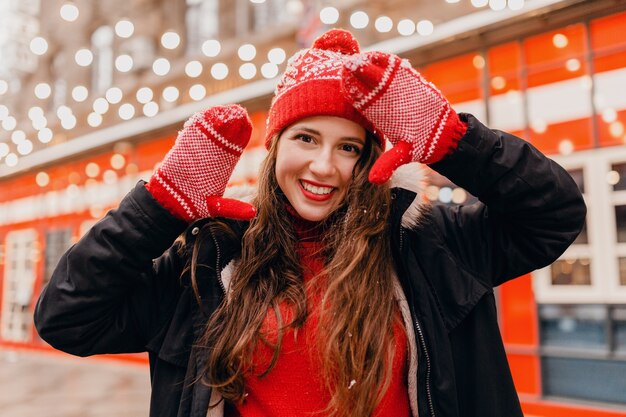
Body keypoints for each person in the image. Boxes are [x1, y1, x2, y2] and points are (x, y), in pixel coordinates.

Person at [34, 29, 586, 417]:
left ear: (372, 157)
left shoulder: (432, 243)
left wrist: (455, 143)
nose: (325, 166)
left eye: (349, 146)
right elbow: (67, 317)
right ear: (273, 148)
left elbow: (553, 214)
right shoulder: (211, 260)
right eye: (305, 138)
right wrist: (157, 206)